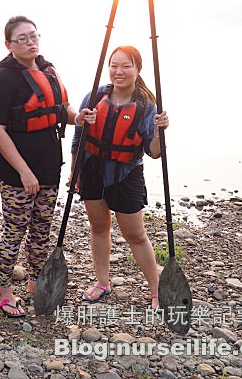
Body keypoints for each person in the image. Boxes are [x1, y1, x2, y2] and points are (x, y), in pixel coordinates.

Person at [0, 16, 80, 318]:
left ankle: (35, 282)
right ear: (8, 44)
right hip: (17, 171)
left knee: (41, 229)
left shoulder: (48, 69)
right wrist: (24, 171)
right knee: (15, 229)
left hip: (50, 164)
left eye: (33, 36)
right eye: (22, 38)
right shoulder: (3, 78)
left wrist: (80, 118)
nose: (30, 42)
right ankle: (3, 291)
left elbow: (60, 110)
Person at [71, 45, 169, 310]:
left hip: (126, 174)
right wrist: (74, 173)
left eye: (126, 66)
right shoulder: (93, 97)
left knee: (135, 234)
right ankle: (102, 282)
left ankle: (157, 290)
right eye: (114, 65)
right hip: (92, 170)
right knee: (99, 227)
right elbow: (78, 138)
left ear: (138, 69)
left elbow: (154, 152)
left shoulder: (147, 106)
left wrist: (161, 131)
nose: (119, 71)